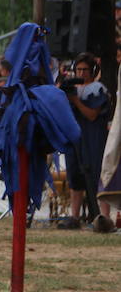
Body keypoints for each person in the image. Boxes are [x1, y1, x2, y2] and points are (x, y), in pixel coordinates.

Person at [58, 53, 112, 231]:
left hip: (93, 136)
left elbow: (92, 115)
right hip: (75, 137)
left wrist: (75, 101)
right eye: (78, 69)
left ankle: (103, 217)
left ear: (92, 70)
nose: (81, 73)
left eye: (85, 69)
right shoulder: (71, 88)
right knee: (75, 176)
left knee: (96, 174)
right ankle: (75, 216)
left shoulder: (97, 89)